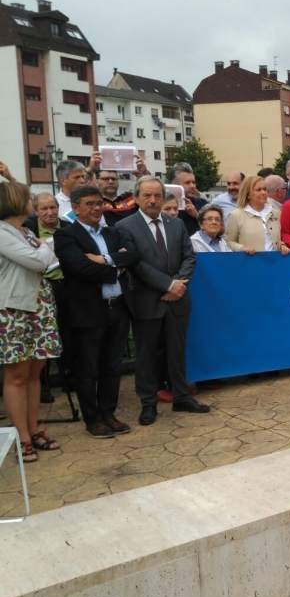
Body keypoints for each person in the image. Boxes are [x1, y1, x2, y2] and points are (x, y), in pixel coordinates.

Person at [117, 176, 210, 425]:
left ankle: (181, 397)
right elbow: (136, 264)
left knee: (177, 351)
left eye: (157, 195)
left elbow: (189, 258)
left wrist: (178, 284)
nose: (152, 200)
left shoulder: (176, 224)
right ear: (136, 198)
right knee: (147, 355)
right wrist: (167, 285)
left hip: (178, 299)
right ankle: (148, 403)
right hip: (147, 300)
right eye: (147, 195)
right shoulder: (125, 227)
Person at [54, 185, 137, 438]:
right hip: (88, 311)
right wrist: (115, 265)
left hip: (117, 308)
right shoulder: (66, 236)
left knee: (112, 366)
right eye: (89, 204)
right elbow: (79, 268)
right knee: (88, 368)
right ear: (76, 208)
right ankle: (93, 419)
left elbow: (133, 255)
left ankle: (108, 413)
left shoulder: (113, 232)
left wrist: (103, 259)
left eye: (99, 203)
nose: (96, 208)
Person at [0, 181, 61, 462]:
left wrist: (43, 251)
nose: (32, 201)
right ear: (15, 201)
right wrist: (47, 245)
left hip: (38, 305)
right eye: (28, 198)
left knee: (36, 372)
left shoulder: (23, 231)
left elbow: (46, 262)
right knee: (17, 375)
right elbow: (40, 262)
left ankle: (34, 429)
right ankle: (21, 436)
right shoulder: (3, 233)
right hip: (14, 310)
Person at [24, 193, 70, 402]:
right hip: (42, 287)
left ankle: (70, 378)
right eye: (44, 209)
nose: (50, 212)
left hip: (68, 285)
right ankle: (43, 385)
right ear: (36, 211)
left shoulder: (68, 226)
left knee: (69, 332)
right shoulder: (28, 229)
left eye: (53, 207)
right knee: (45, 334)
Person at [224, 175, 290, 254]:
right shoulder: (236, 215)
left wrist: (282, 245)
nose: (263, 192)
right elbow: (229, 242)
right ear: (248, 194)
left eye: (264, 189)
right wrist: (242, 248)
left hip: (275, 263)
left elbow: (282, 237)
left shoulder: (277, 213)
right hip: (250, 263)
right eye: (258, 190)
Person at [167, 163, 208, 236]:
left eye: (193, 182)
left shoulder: (203, 205)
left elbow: (217, 231)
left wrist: (197, 215)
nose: (192, 186)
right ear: (174, 184)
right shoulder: (160, 205)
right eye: (187, 183)